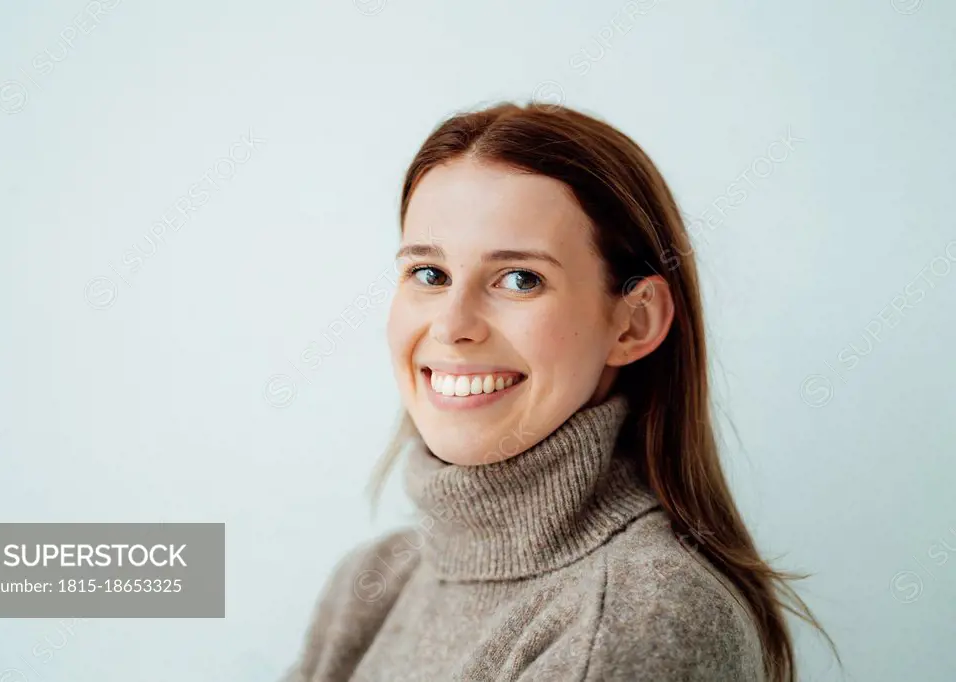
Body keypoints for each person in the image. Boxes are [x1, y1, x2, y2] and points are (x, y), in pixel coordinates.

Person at [281, 101, 836, 681]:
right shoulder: (371, 584)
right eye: (430, 274)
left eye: (520, 279)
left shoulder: (639, 615)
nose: (450, 326)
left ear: (633, 322)